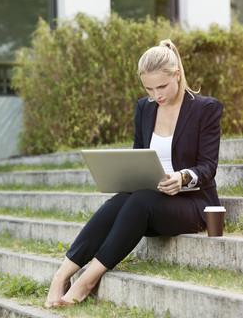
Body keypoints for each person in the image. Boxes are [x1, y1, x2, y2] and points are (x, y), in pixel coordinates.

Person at [44, 39, 223, 308]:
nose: (156, 95)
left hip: (194, 203)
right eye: (149, 88)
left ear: (177, 75)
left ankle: (87, 281)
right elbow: (138, 157)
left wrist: (182, 177)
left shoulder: (205, 108)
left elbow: (208, 167)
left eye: (162, 86)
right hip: (150, 202)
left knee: (138, 201)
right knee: (118, 202)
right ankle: (61, 276)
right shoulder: (145, 108)